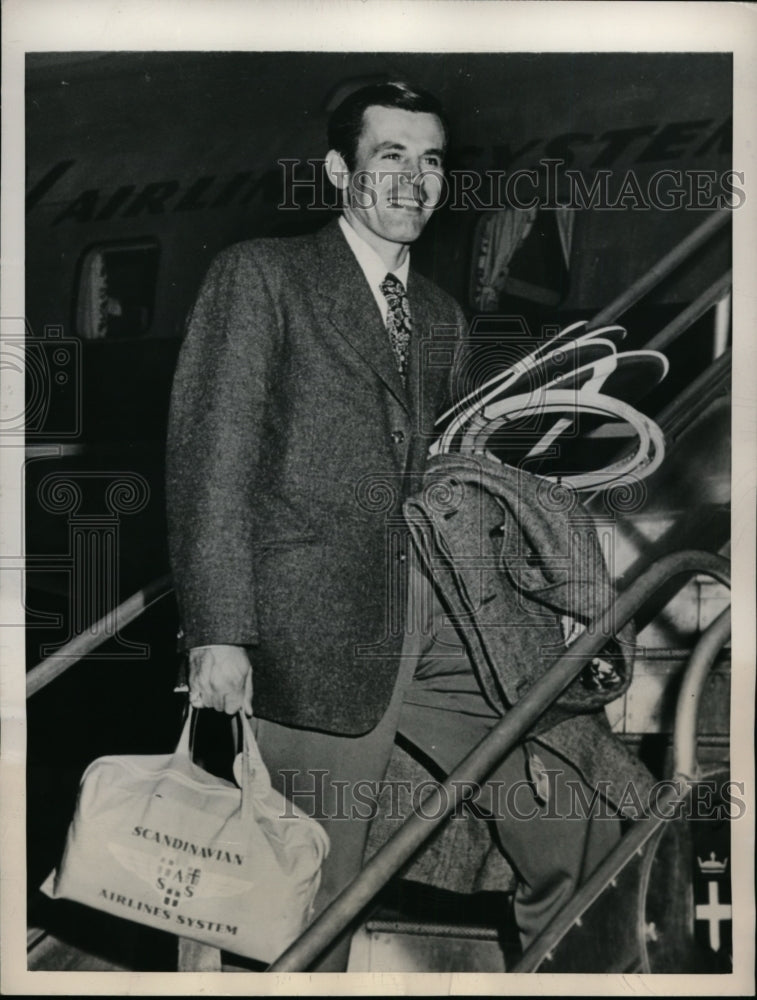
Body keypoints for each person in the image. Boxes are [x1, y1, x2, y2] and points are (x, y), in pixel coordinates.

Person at [166, 81, 624, 971]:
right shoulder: (263, 276)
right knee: (312, 909)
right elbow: (210, 463)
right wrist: (219, 632)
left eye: (431, 160)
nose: (414, 179)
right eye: (391, 156)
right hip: (311, 633)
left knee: (579, 828)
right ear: (341, 170)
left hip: (444, 627)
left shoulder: (444, 317)